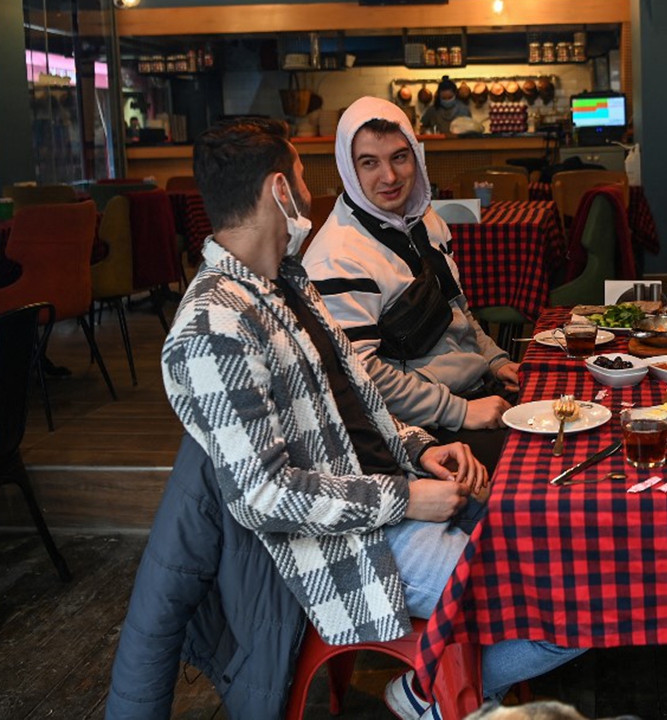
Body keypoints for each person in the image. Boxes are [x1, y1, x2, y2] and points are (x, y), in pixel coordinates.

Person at [160, 117, 580, 718]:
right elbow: (264, 496)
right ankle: (433, 694)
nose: (313, 192)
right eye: (305, 177)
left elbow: (357, 402)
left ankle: (439, 686)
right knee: (580, 597)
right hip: (350, 547)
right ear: (280, 190)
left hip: (395, 497)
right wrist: (407, 497)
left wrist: (419, 448)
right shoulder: (213, 328)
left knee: (568, 540)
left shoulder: (286, 283)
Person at [304, 96, 518, 469]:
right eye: (369, 162)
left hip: (477, 391)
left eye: (399, 158)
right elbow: (362, 377)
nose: (389, 177)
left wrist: (496, 361)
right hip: (423, 432)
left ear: (416, 158)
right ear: (347, 168)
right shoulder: (337, 257)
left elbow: (458, 312)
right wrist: (461, 411)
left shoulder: (426, 220)